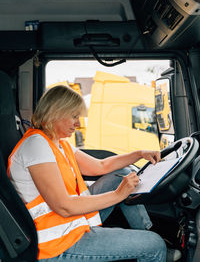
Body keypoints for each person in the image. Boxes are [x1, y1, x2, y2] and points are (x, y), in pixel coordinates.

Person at [7, 85, 167, 262]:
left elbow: (101, 166)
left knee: (120, 173)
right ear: (55, 113)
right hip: (57, 243)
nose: (78, 123)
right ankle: (147, 247)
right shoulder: (36, 145)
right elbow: (64, 206)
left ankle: (144, 234)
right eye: (74, 116)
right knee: (156, 245)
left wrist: (138, 154)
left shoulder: (59, 143)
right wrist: (118, 195)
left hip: (72, 223)